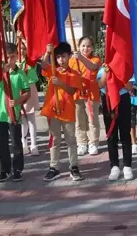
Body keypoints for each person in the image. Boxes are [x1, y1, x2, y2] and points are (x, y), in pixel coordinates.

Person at [40, 42, 83, 182]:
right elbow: (43, 65)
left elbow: (72, 90)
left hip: (68, 111)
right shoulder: (53, 70)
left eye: (64, 56)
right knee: (55, 140)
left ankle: (74, 166)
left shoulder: (75, 73)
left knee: (71, 140)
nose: (61, 60)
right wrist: (47, 52)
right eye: (58, 57)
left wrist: (60, 83)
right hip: (54, 112)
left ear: (69, 56)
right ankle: (54, 167)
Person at [0, 43, 31, 182]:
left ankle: (17, 169)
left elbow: (27, 92)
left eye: (12, 57)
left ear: (16, 57)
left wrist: (18, 101)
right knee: (2, 143)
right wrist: (1, 71)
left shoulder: (20, 73)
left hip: (13, 112)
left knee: (16, 142)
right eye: (6, 57)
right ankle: (5, 170)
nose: (9, 60)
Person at [97, 65, 134, 181]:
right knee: (111, 135)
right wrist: (107, 73)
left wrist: (119, 74)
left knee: (125, 134)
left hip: (123, 98)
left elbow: (129, 86)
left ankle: (127, 166)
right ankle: (114, 166)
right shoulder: (103, 68)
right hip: (108, 98)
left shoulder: (126, 67)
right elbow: (100, 85)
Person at [71, 37, 101, 157]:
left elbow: (93, 67)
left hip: (91, 94)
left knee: (92, 119)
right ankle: (81, 143)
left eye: (88, 46)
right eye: (83, 46)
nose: (85, 48)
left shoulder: (95, 59)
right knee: (79, 120)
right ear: (79, 47)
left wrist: (81, 58)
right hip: (77, 93)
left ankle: (93, 142)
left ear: (92, 48)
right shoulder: (73, 60)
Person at [18, 39, 40, 156]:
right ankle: (23, 142)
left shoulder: (30, 61)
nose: (22, 51)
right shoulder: (15, 63)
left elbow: (34, 52)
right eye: (20, 49)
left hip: (30, 89)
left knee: (31, 119)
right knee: (22, 120)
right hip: (20, 91)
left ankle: (34, 144)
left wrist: (24, 40)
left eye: (24, 49)